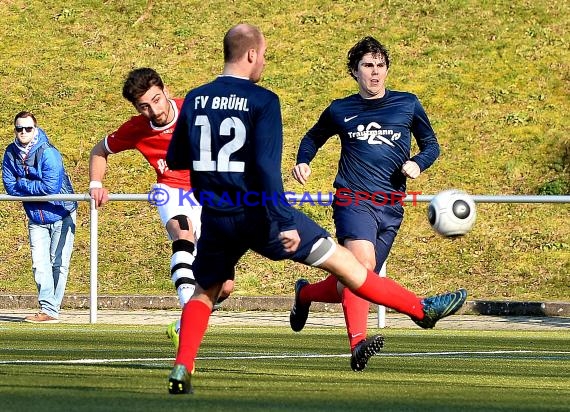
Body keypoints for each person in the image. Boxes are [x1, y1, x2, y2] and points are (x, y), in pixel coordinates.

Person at [165, 23, 466, 395]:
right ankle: (422, 311)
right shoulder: (263, 100)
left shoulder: (194, 98)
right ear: (251, 55)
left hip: (216, 217)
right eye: (265, 55)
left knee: (206, 292)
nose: (264, 63)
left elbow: (177, 157)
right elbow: (265, 169)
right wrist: (281, 221)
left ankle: (182, 367)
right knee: (352, 268)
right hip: (263, 214)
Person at [291, 36, 441, 371]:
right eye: (367, 66)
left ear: (387, 69)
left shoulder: (407, 104)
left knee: (356, 279)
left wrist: (418, 162)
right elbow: (313, 137)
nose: (375, 73)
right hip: (352, 198)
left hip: (391, 206)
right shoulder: (340, 109)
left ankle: (305, 295)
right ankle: (357, 344)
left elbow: (431, 144)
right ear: (354, 72)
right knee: (361, 264)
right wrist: (304, 160)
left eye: (380, 65)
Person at [88, 68, 233, 349]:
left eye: (156, 100)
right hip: (171, 191)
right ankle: (190, 317)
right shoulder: (136, 129)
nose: (154, 110)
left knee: (224, 287)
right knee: (183, 231)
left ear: (165, 90)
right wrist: (96, 182)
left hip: (210, 194)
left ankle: (182, 323)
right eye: (144, 106)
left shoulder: (194, 110)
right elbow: (99, 151)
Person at [2, 111, 77, 323]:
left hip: (62, 212)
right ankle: (48, 309)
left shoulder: (48, 153)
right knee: (39, 264)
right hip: (36, 216)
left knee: (58, 264)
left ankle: (50, 310)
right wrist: (29, 188)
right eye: (19, 129)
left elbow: (50, 187)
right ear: (15, 130)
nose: (23, 132)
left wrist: (23, 185)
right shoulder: (10, 153)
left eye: (28, 128)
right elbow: (9, 186)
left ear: (35, 129)